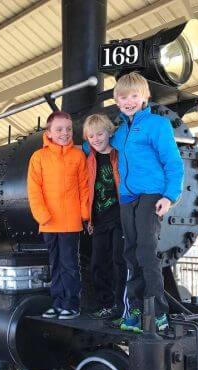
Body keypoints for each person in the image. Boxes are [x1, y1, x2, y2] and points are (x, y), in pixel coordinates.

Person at [83, 72, 184, 333]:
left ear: (144, 98)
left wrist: (169, 196)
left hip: (151, 195)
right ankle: (135, 310)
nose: (128, 101)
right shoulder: (120, 131)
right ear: (117, 100)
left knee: (146, 252)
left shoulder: (156, 125)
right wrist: (79, 148)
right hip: (127, 198)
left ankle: (159, 311)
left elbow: (173, 162)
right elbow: (99, 144)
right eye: (123, 96)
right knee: (130, 254)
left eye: (134, 96)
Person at [27, 111, 89, 320]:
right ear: (49, 133)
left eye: (69, 129)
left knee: (70, 265)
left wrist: (84, 214)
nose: (65, 133)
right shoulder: (38, 157)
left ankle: (71, 304)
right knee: (55, 265)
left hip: (71, 223)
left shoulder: (78, 156)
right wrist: (42, 216)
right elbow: (34, 190)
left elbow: (84, 187)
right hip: (49, 223)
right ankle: (58, 302)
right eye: (59, 129)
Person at [82, 114, 126, 320]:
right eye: (91, 136)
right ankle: (105, 304)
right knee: (99, 263)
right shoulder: (89, 156)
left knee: (119, 260)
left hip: (119, 217)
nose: (96, 139)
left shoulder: (119, 153)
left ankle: (121, 305)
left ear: (110, 133)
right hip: (98, 219)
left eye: (100, 133)